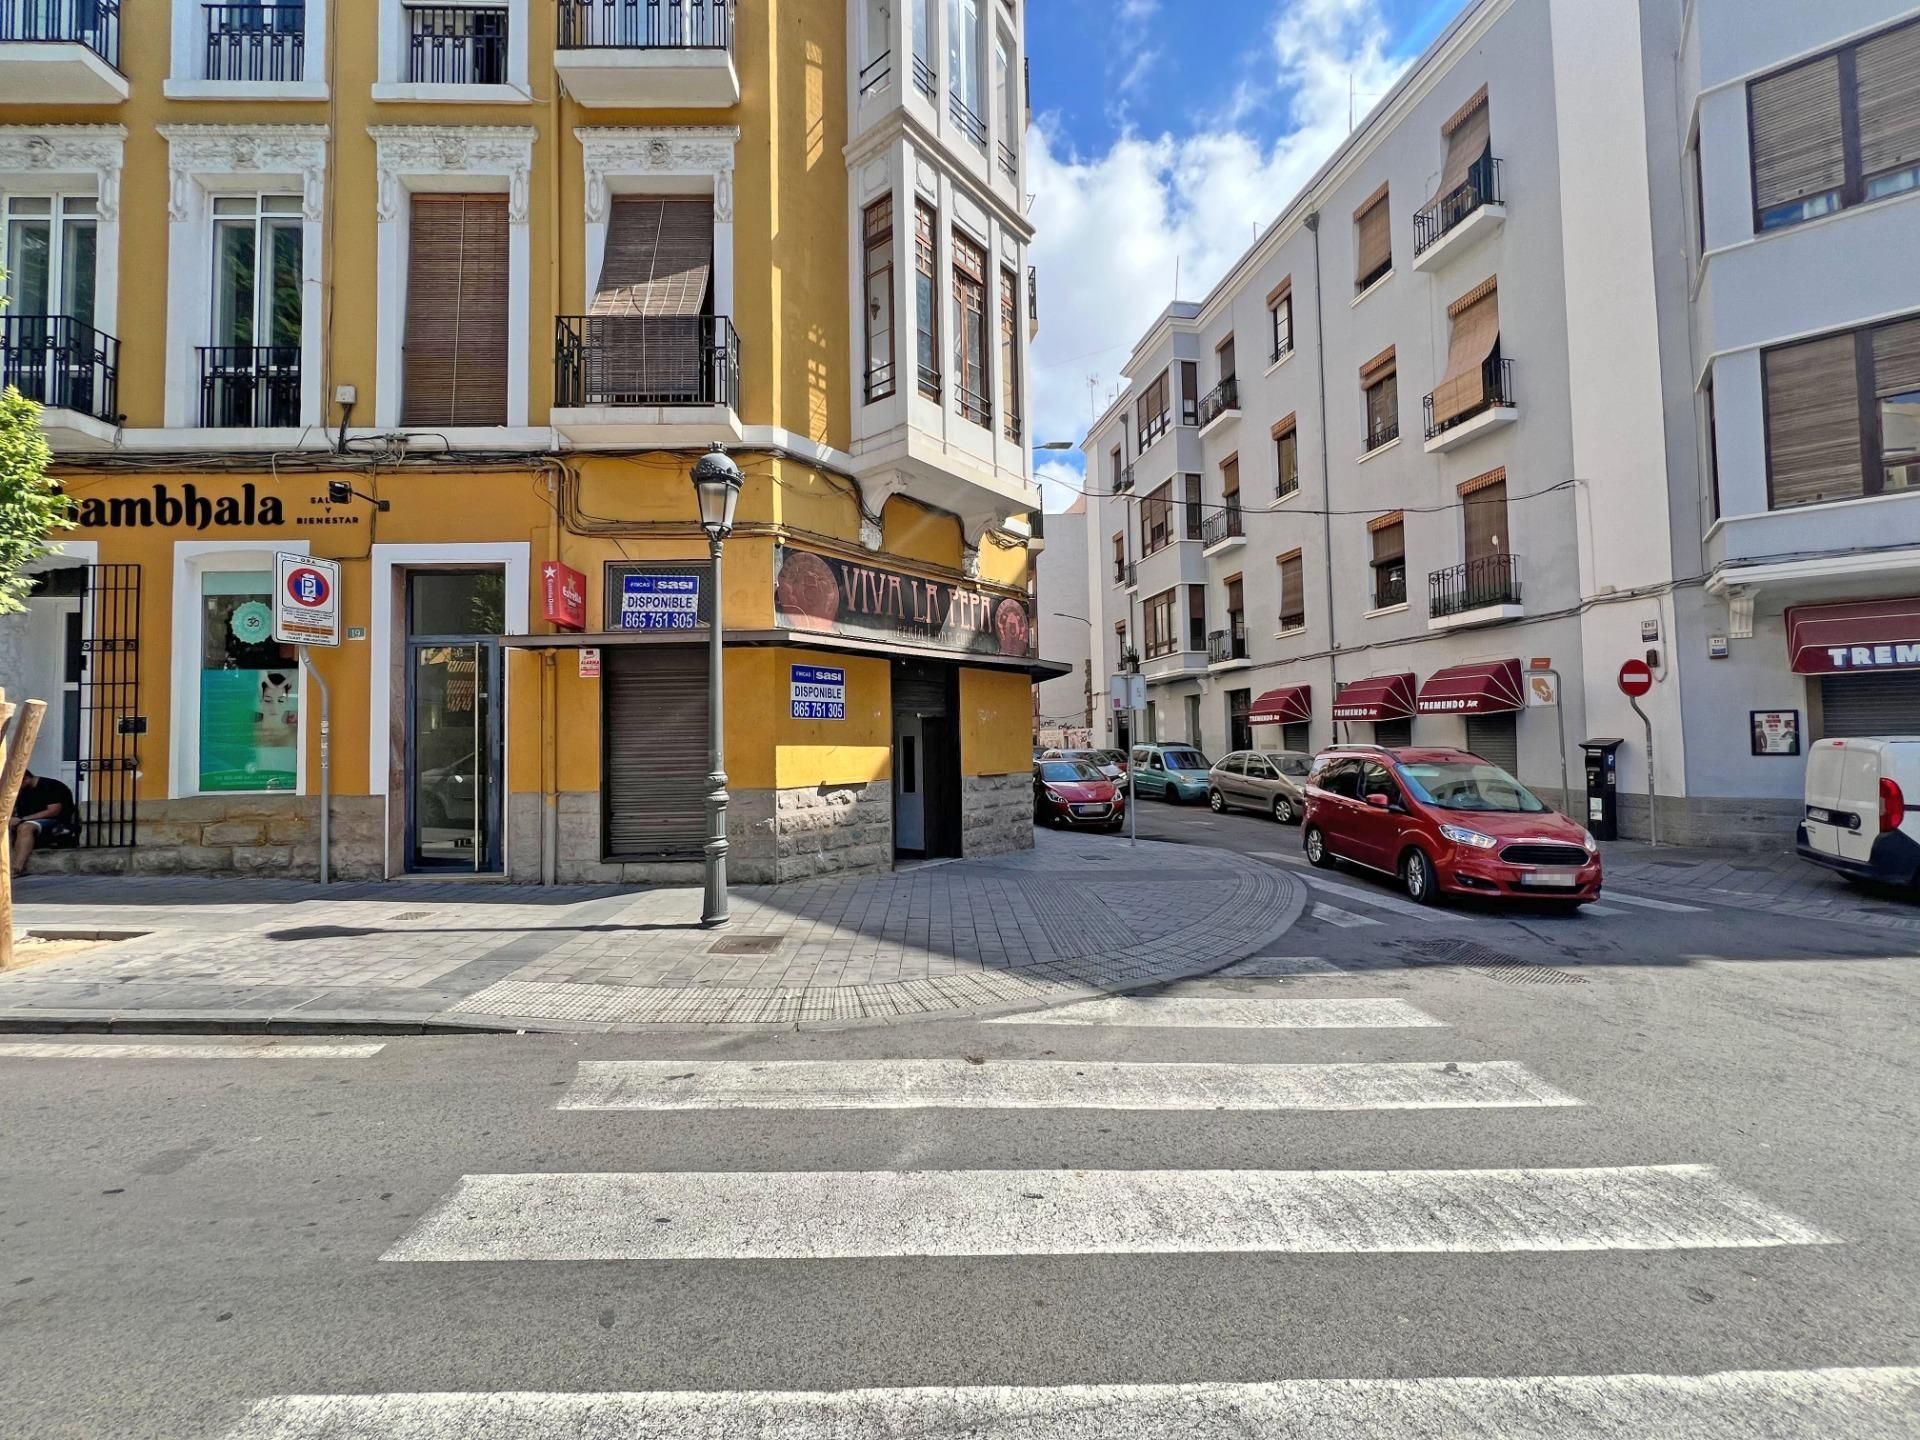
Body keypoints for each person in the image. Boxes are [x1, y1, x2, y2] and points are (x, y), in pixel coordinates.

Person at [10, 770, 76, 877]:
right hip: (28, 820)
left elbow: (53, 811)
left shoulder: (51, 786)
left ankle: (17, 868)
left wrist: (22, 819)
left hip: (55, 821)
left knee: (25, 827)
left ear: (25, 779)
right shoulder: (23, 791)